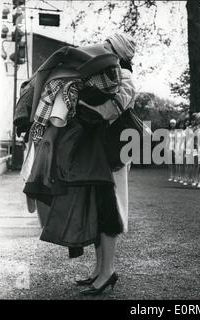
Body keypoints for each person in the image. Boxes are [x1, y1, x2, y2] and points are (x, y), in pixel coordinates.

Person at [73, 32, 137, 295]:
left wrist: (80, 103)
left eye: (108, 45)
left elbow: (110, 111)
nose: (102, 47)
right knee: (99, 209)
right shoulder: (105, 74)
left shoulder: (125, 76)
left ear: (118, 53)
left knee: (109, 209)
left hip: (112, 152)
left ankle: (108, 271)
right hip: (100, 150)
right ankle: (100, 270)